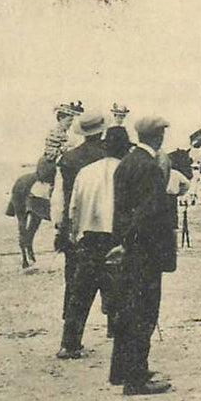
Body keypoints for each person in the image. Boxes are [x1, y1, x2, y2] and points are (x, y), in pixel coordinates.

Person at [109, 116, 176, 396]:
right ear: (158, 137)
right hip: (145, 251)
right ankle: (136, 379)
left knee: (127, 311)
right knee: (145, 313)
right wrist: (133, 243)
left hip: (128, 250)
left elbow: (123, 210)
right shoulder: (150, 168)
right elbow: (148, 214)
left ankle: (123, 371)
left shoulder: (125, 163)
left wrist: (122, 243)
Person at [59, 126, 132, 360]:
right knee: (122, 291)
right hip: (115, 238)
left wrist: (74, 236)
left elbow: (73, 207)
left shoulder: (86, 172)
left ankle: (69, 345)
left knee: (80, 294)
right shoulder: (126, 170)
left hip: (89, 239)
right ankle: (120, 339)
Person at [52, 112, 111, 358]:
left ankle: (70, 342)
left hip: (77, 231)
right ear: (102, 131)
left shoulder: (68, 158)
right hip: (107, 229)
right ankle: (114, 329)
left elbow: (60, 198)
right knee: (113, 281)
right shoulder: (109, 158)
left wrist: (61, 228)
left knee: (76, 285)